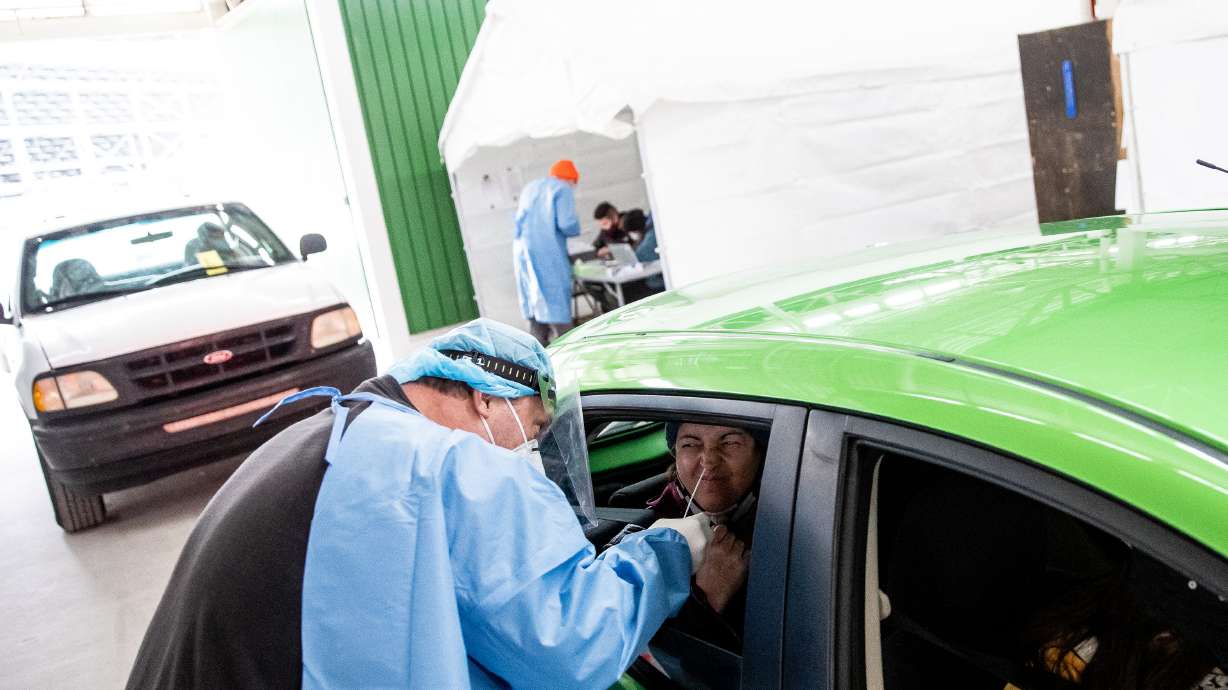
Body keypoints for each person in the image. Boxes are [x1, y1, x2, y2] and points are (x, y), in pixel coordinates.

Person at [127, 318, 714, 689]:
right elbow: (568, 644)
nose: (531, 449)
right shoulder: (448, 468)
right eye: (534, 429)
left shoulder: (327, 435)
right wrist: (672, 550)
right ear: (487, 400)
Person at [645, 421, 768, 652]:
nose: (709, 460)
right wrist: (707, 597)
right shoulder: (645, 532)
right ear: (675, 454)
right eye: (690, 444)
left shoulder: (796, 526)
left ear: (760, 452)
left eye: (730, 442)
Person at [514, 160, 582, 345]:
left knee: (536, 313)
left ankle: (536, 356)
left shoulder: (530, 188)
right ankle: (569, 350)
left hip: (523, 253)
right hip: (547, 254)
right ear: (571, 179)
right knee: (556, 307)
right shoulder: (562, 188)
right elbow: (567, 223)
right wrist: (576, 228)